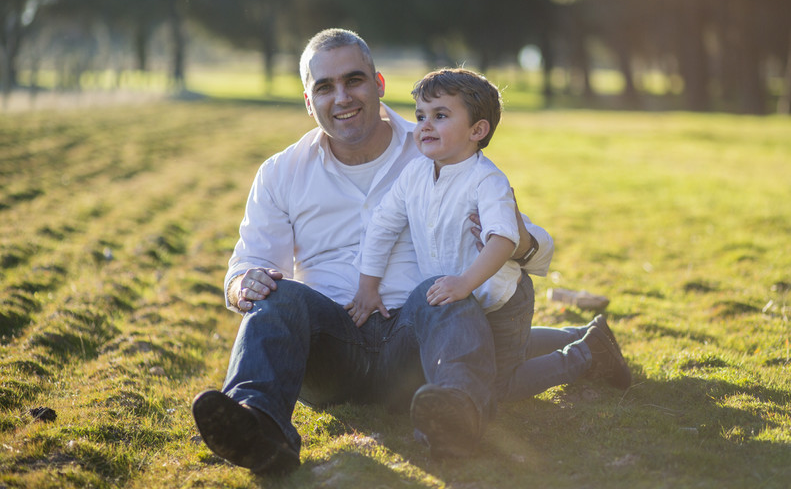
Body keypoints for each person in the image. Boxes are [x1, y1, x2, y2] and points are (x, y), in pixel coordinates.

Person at [190, 28, 630, 475]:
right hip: (329, 354)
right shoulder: (280, 173)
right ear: (309, 101)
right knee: (276, 297)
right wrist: (245, 283)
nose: (342, 97)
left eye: (354, 80)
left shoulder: (435, 142)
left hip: (417, 345)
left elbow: (528, 245)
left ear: (378, 85)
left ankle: (459, 415)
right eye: (325, 87)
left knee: (445, 294)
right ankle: (258, 427)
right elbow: (247, 264)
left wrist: (521, 237)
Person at [354, 68, 533, 402]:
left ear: (477, 130)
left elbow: (503, 240)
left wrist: (465, 282)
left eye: (440, 116)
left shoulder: (487, 180)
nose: (424, 125)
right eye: (420, 115)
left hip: (500, 300)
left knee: (500, 387)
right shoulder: (414, 174)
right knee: (469, 369)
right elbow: (383, 224)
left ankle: (585, 355)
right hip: (455, 305)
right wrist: (368, 285)